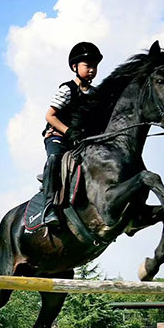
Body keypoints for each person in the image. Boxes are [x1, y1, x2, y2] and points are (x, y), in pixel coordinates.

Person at [40, 42, 103, 226]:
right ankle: (49, 207)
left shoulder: (95, 94)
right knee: (54, 159)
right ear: (75, 67)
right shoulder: (67, 90)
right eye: (88, 65)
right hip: (58, 137)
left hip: (80, 141)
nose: (92, 70)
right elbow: (49, 116)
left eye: (95, 66)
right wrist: (69, 131)